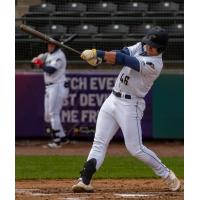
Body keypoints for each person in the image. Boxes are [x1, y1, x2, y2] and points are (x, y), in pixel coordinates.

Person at [72, 26, 181, 192]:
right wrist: (101, 59)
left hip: (131, 105)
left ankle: (167, 174)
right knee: (99, 142)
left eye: (151, 46)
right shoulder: (141, 46)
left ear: (160, 49)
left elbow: (124, 60)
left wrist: (97, 53)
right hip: (112, 99)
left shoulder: (155, 65)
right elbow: (122, 52)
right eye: (147, 43)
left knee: (135, 148)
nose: (147, 47)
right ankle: (84, 180)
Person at [31, 35, 70, 148]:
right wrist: (37, 60)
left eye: (52, 44)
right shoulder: (49, 55)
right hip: (49, 87)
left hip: (57, 86)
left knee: (53, 114)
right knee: (48, 115)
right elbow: (33, 64)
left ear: (56, 45)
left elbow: (51, 70)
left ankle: (57, 141)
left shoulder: (60, 56)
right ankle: (62, 138)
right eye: (48, 44)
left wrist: (41, 64)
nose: (49, 46)